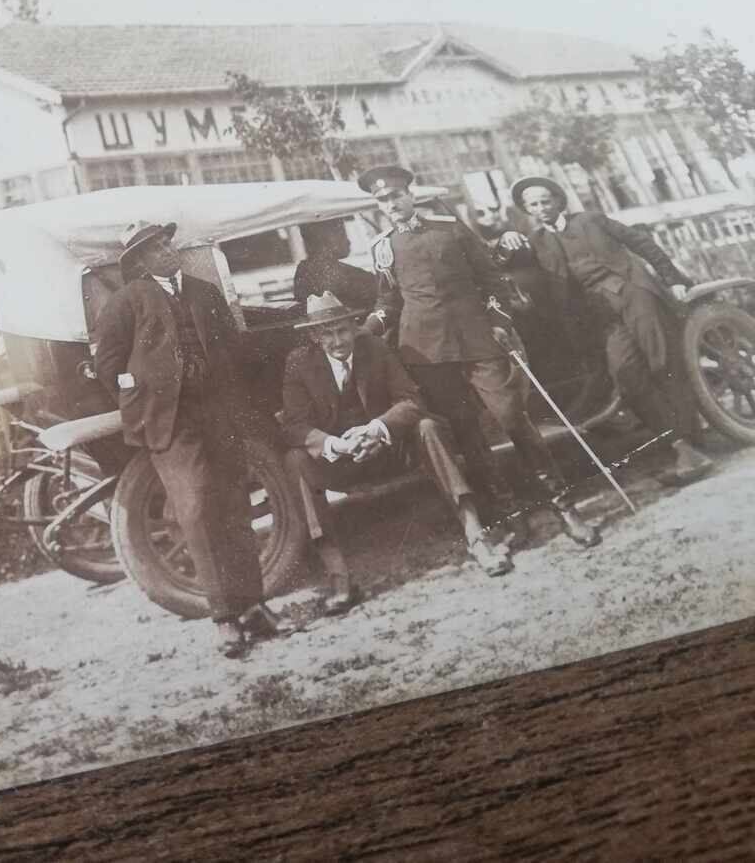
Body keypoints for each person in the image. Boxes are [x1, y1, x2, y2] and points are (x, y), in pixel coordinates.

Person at [357, 165, 600, 548]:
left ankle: (564, 506)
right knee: (468, 434)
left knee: (511, 418)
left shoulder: (449, 229)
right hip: (426, 352)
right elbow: (388, 301)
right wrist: (365, 330)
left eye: (396, 196)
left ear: (410, 195)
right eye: (382, 200)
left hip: (477, 340)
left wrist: (498, 320)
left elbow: (492, 279)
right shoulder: (383, 247)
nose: (391, 204)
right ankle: (510, 515)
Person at [94, 220, 289, 658]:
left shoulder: (204, 292)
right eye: (155, 247)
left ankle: (254, 605)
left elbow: (234, 351)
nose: (167, 249)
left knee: (234, 504)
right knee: (197, 508)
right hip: (172, 422)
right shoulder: (127, 302)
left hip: (219, 413)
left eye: (167, 242)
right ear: (140, 261)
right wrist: (140, 394)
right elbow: (107, 363)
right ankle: (225, 618)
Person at [283, 292, 513, 611]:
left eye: (343, 330)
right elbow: (294, 425)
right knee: (294, 460)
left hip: (390, 450)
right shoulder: (299, 363)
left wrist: (376, 429)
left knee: (428, 428)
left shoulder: (375, 349)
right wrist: (337, 445)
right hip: (344, 461)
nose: (338, 341)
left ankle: (477, 536)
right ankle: (339, 574)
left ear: (353, 327)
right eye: (327, 334)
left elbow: (411, 400)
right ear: (314, 337)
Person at [500, 176, 714, 485]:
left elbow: (640, 243)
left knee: (663, 364)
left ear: (559, 200)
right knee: (626, 375)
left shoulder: (591, 220)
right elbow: (501, 264)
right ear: (526, 209)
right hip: (602, 314)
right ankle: (680, 445)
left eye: (546, 200)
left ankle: (693, 445)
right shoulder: (536, 241)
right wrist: (505, 239)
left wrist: (673, 278)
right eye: (533, 204)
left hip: (633, 293)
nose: (541, 208)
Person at [292, 218, 379, 313]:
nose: (348, 241)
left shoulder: (304, 269)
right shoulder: (335, 272)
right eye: (341, 234)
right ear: (322, 238)